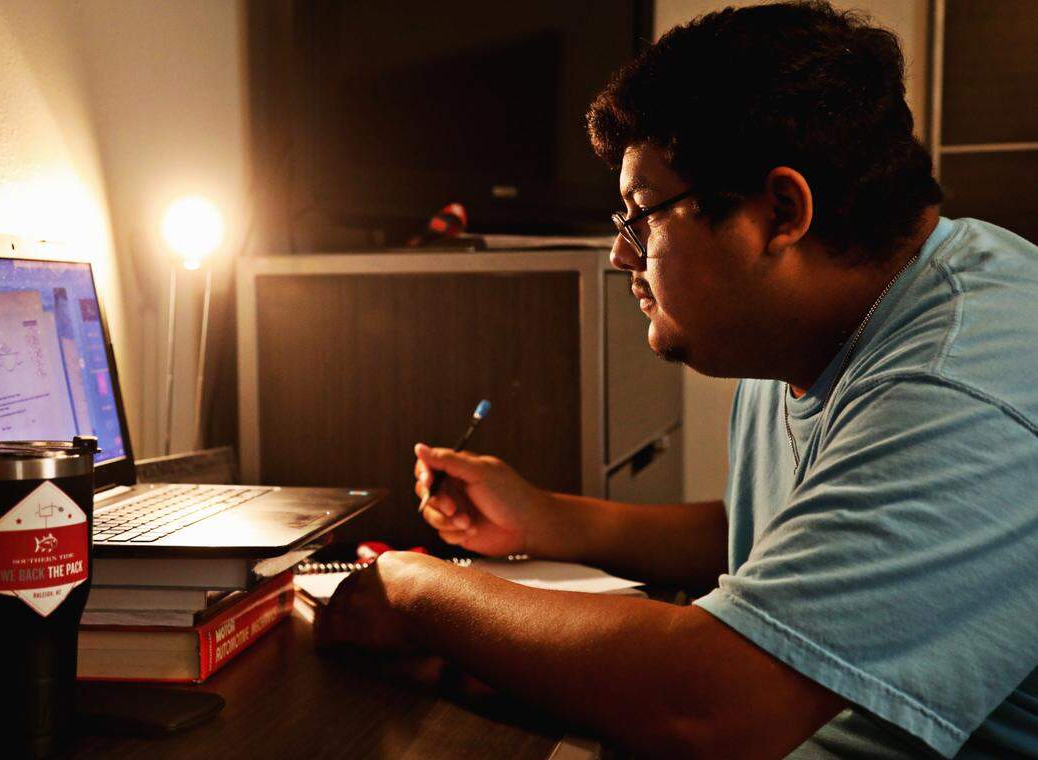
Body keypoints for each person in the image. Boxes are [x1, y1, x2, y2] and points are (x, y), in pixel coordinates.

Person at [314, 2, 1038, 756]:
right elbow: (794, 540)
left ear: (780, 212)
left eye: (642, 216)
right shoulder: (818, 322)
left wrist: (418, 589)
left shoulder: (970, 376)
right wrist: (543, 519)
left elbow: (714, 703)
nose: (621, 257)